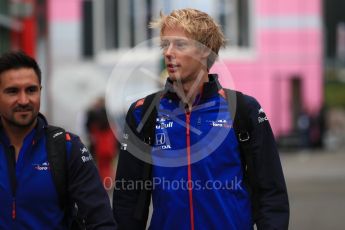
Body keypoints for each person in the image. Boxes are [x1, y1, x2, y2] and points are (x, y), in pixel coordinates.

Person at [113, 8, 289, 230]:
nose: (168, 52)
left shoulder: (244, 110)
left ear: (205, 51)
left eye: (180, 44)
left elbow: (271, 193)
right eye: (165, 45)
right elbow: (127, 202)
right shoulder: (143, 112)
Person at [0, 51, 117, 229]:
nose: (23, 100)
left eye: (31, 90)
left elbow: (101, 222)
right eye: (12, 91)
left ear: (40, 91)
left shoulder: (67, 148)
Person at [86, 97, 118, 189]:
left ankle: (105, 182)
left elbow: (89, 125)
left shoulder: (95, 114)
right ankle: (107, 182)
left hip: (101, 145)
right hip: (107, 145)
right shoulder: (109, 116)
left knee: (102, 164)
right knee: (107, 165)